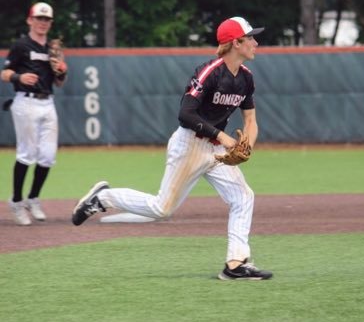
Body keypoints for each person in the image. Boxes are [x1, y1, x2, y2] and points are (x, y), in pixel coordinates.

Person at [71, 16, 273, 281]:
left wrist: (248, 147)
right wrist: (223, 137)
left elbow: (250, 121)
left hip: (215, 152)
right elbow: (186, 115)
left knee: (243, 197)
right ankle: (102, 198)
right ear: (236, 43)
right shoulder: (210, 72)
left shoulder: (246, 78)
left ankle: (235, 264)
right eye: (250, 38)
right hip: (190, 144)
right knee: (161, 209)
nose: (256, 42)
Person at [1, 2, 68, 225]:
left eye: (46, 19)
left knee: (48, 156)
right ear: (30, 20)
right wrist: (19, 78)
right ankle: (17, 201)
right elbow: (4, 72)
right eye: (39, 18)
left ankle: (33, 198)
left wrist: (62, 72)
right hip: (25, 102)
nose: (42, 22)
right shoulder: (21, 45)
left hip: (47, 102)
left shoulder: (53, 48)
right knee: (26, 153)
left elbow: (59, 83)